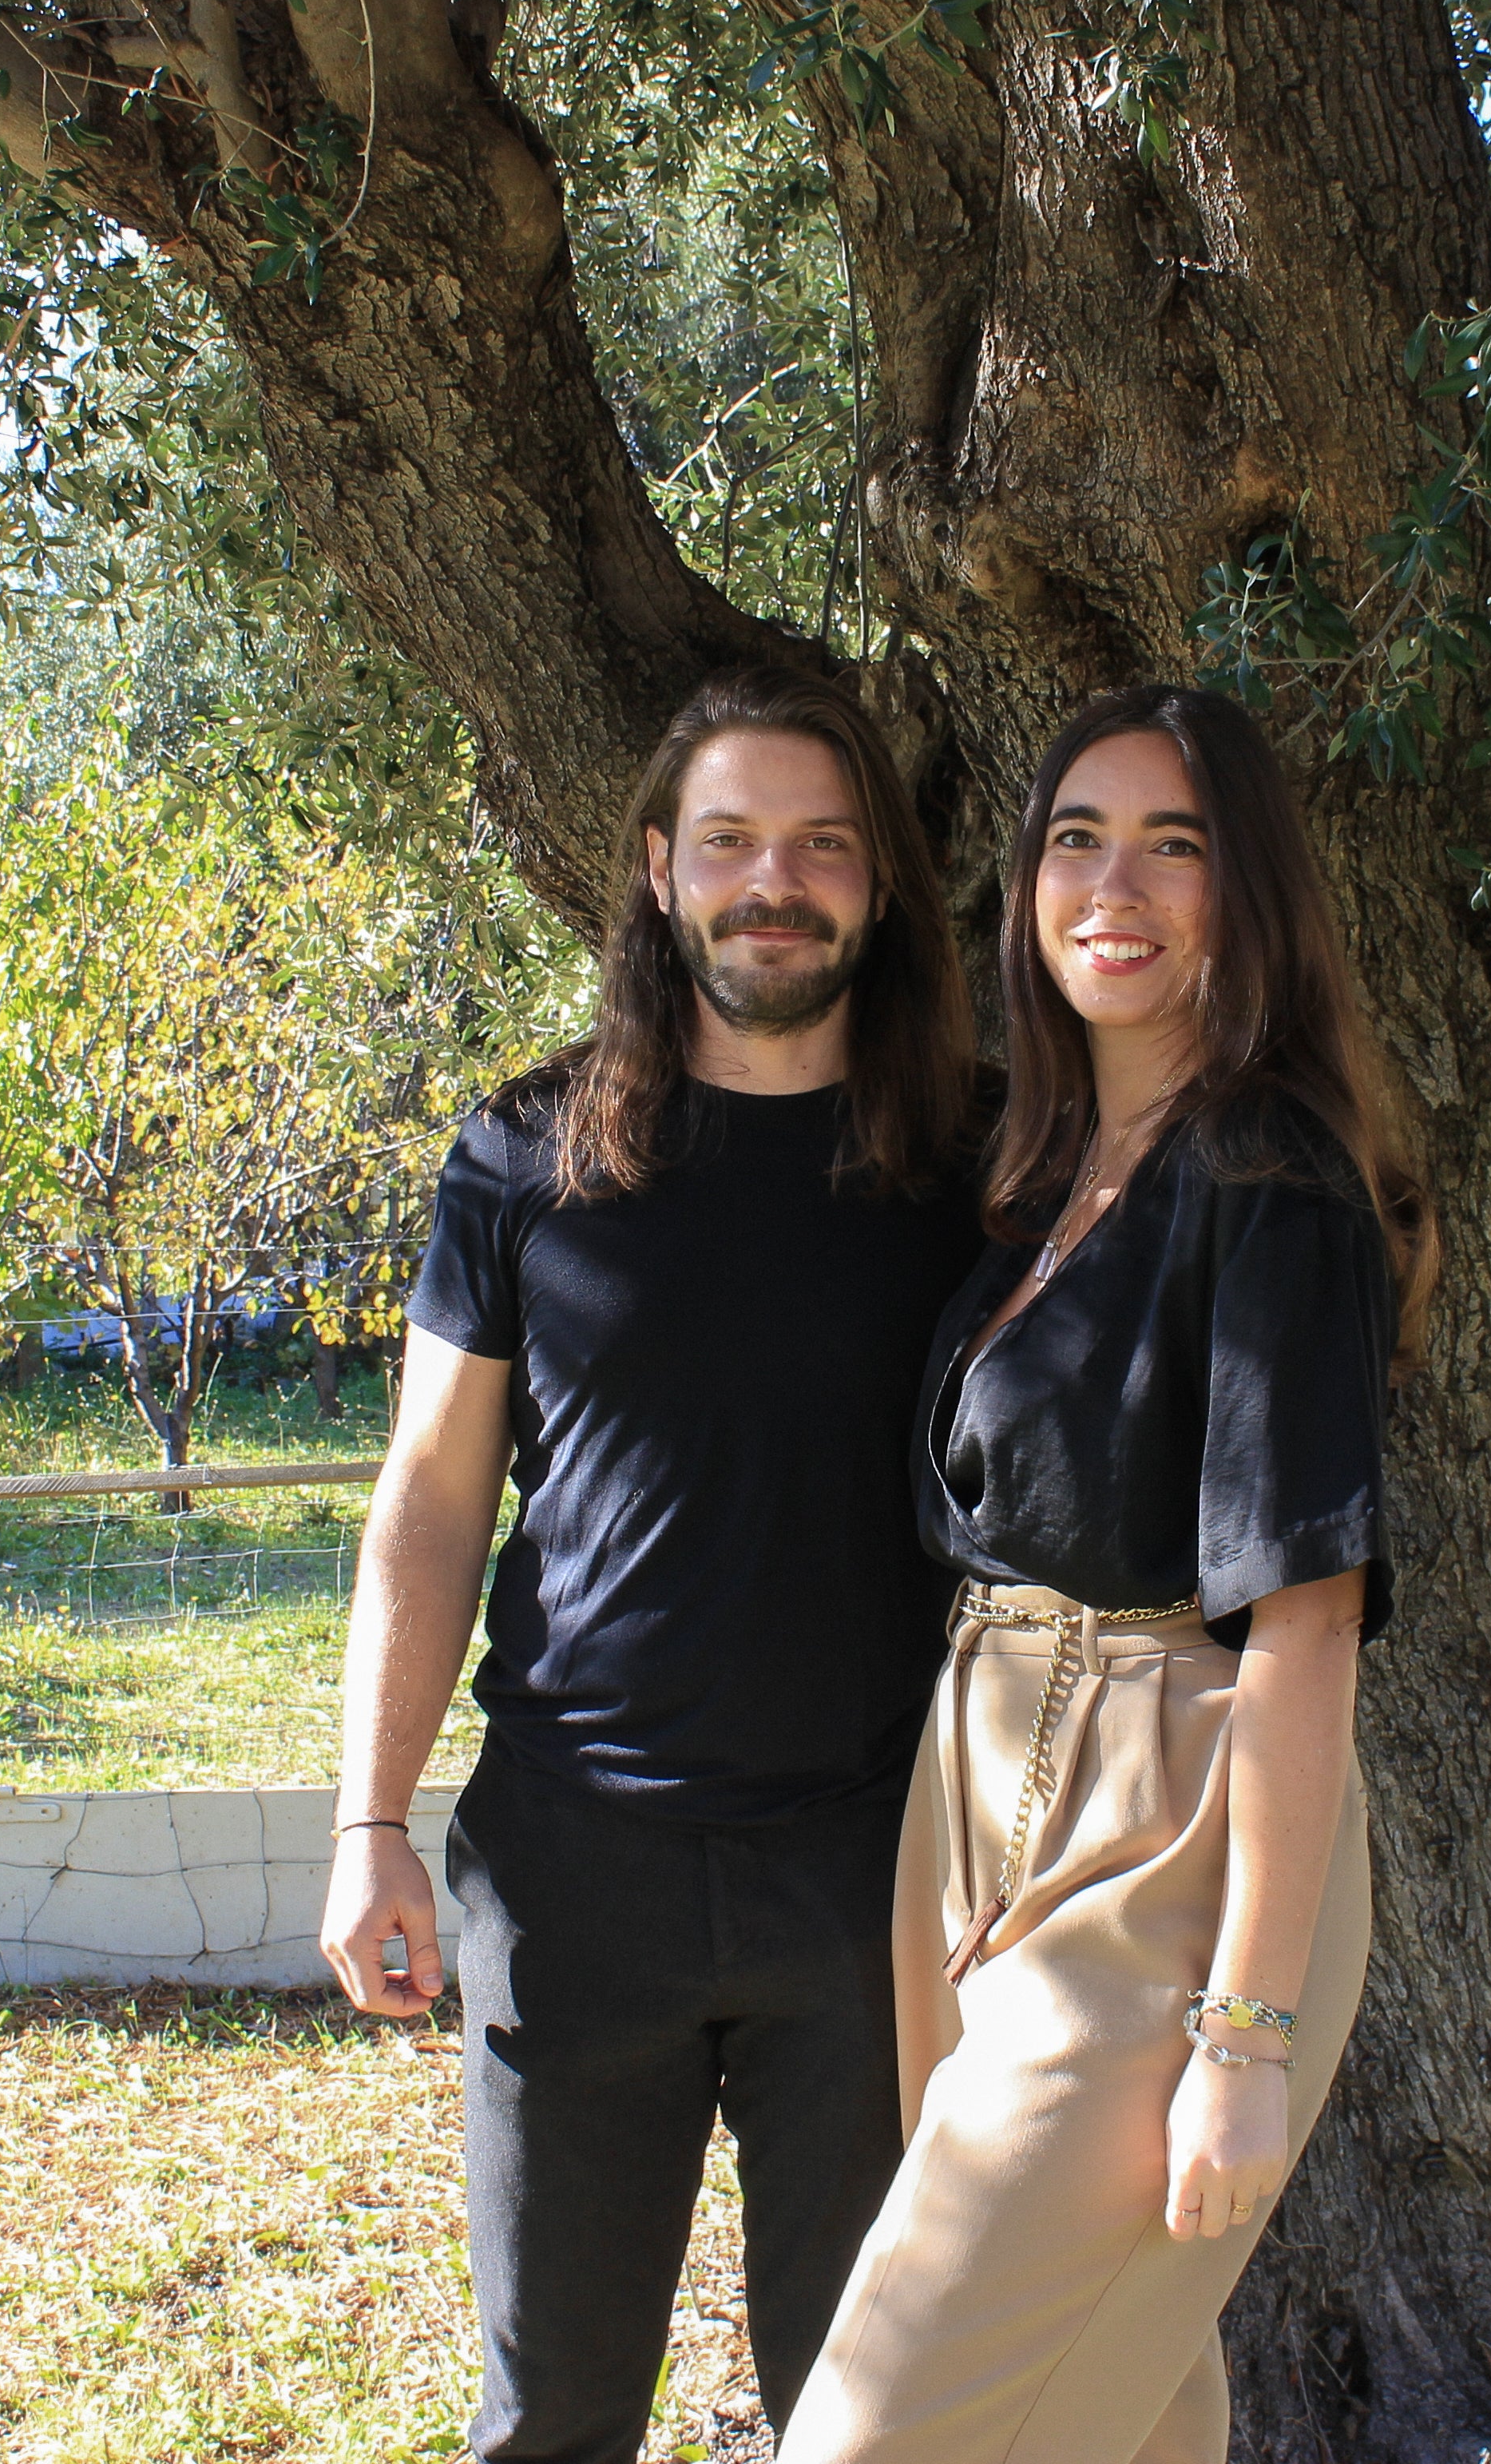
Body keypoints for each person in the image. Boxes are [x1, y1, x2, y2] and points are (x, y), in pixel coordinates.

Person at [319, 667, 990, 2464]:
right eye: (731, 839)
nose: (776, 881)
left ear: (882, 883)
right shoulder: (522, 1152)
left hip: (878, 1879)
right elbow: (432, 1494)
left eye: (822, 845)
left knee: (869, 2423)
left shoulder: (981, 1163)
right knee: (552, 2419)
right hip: (571, 1879)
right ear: (657, 868)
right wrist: (369, 1820)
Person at [783, 683, 1434, 2464]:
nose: (1113, 887)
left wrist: (1246, 2036)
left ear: (1251, 894)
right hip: (977, 1798)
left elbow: (1307, 1629)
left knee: (883, 2428)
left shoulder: (1273, 1179)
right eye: (1077, 839)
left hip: (1164, 1825)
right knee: (1118, 2404)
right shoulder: (1049, 1172)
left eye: (1174, 846)